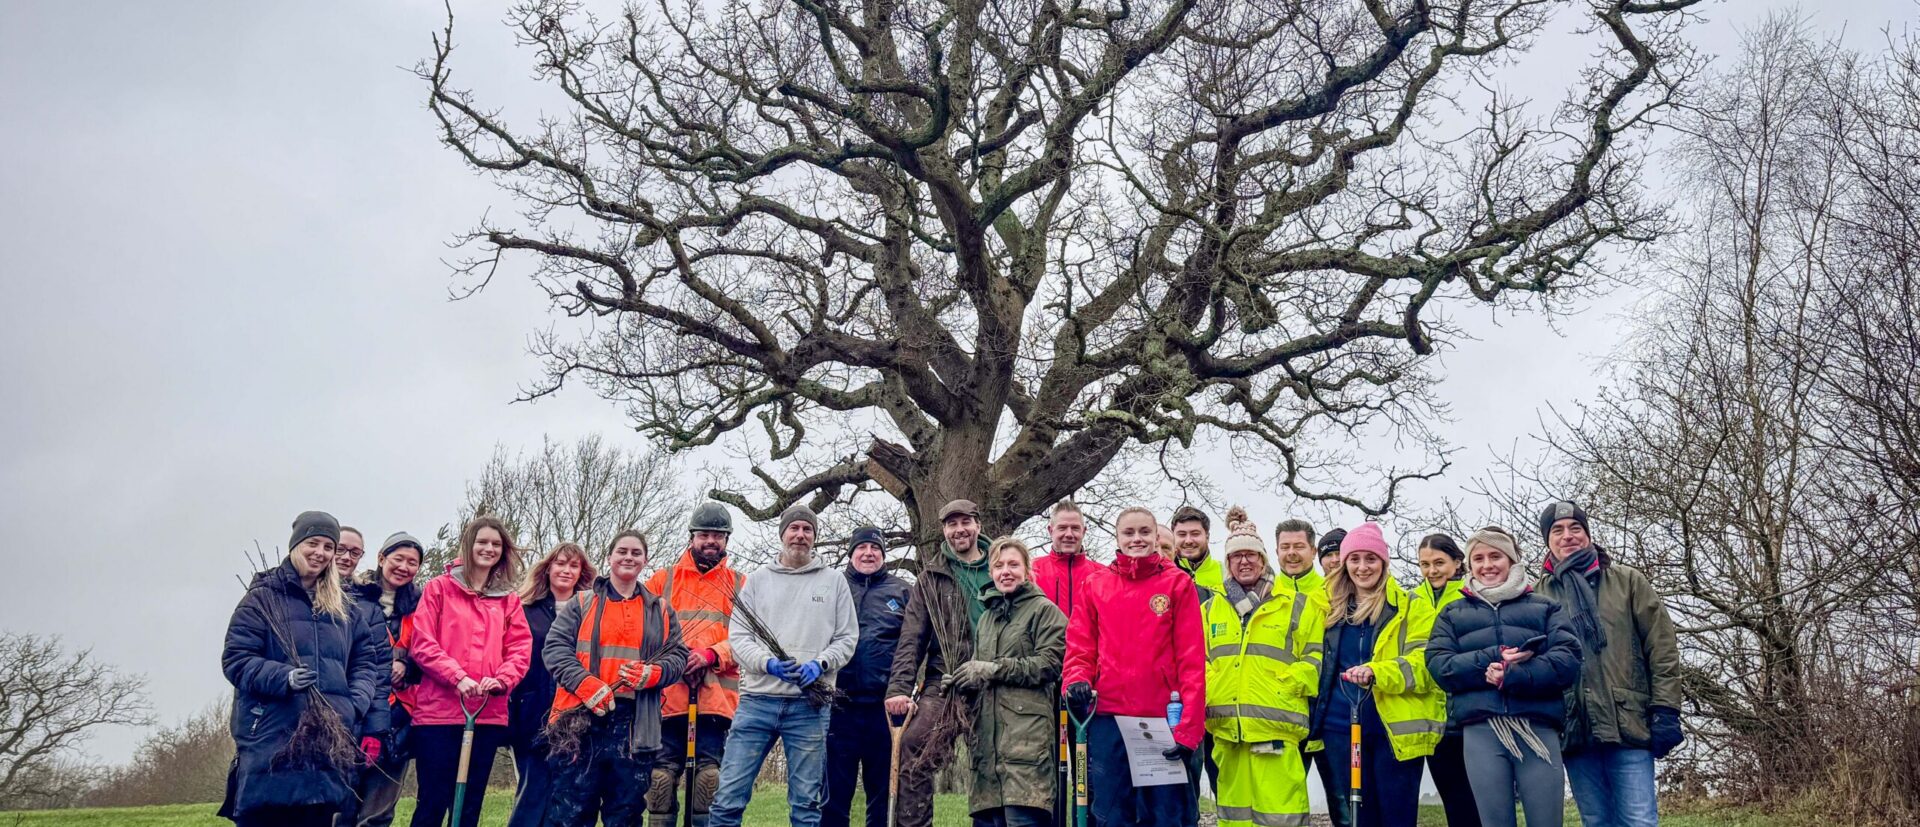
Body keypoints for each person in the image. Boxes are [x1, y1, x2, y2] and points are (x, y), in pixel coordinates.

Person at [220, 511, 383, 827]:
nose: (320, 553)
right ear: (295, 544)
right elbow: (236, 659)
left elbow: (366, 661)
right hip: (272, 738)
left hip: (325, 744)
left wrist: (354, 704)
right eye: (313, 543)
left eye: (327, 546)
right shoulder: (262, 599)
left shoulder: (345, 607)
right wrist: (283, 677)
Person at [1532, 502, 1683, 827]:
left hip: (1628, 722)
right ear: (1547, 540)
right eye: (1557, 530)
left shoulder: (1628, 582)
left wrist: (1666, 710)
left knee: (1639, 820)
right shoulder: (1537, 596)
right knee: (1597, 821)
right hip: (1575, 729)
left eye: (1576, 528)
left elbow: (1662, 648)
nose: (1567, 536)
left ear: (1587, 534)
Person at [709, 504, 860, 827]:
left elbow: (847, 638)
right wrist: (767, 664)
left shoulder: (833, 582)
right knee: (727, 800)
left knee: (806, 806)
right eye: (794, 528)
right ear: (783, 534)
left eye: (808, 530)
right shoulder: (758, 581)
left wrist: (821, 664)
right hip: (757, 702)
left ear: (815, 538)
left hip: (809, 705)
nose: (800, 535)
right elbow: (738, 637)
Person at [1427, 527, 1583, 827]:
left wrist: (1514, 675)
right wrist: (1491, 659)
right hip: (1481, 732)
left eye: (1496, 556)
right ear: (1469, 565)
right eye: (1479, 558)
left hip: (1537, 727)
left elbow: (1568, 659)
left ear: (1512, 560)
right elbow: (1439, 665)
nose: (1487, 565)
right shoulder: (1451, 613)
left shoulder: (1545, 607)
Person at [1062, 507, 1206, 827]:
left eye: (1144, 532)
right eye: (1129, 533)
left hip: (1161, 719)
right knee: (1111, 813)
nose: (1137, 539)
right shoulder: (1095, 584)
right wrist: (1076, 679)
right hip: (1108, 717)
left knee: (1166, 815)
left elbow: (1192, 661)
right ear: (1118, 537)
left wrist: (1189, 729)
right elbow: (1080, 646)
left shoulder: (1177, 584)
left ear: (1156, 537)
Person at [542, 530, 690, 826]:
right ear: (609, 557)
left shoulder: (660, 609)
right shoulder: (582, 603)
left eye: (636, 553)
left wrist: (652, 673)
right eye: (622, 551)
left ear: (645, 561)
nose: (628, 557)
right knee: (570, 813)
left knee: (625, 812)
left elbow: (678, 657)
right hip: (581, 720)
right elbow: (555, 650)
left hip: (636, 725)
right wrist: (587, 685)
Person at [1309, 523, 1446, 827]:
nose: (1362, 567)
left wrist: (1377, 671)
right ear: (1344, 563)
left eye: (1370, 559)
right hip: (1339, 727)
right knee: (1359, 817)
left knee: (1396, 816)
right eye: (1354, 559)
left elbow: (1427, 664)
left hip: (1393, 729)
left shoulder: (1411, 607)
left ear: (1384, 563)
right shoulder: (1325, 608)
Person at [407, 516, 533, 827]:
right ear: (468, 545)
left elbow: (519, 649)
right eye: (482, 542)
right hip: (439, 714)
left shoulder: (508, 599)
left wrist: (501, 679)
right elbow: (422, 643)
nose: (488, 549)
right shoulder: (439, 589)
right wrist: (457, 677)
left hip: (486, 713)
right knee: (433, 801)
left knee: (469, 805)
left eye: (495, 544)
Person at [1203, 508, 1324, 827]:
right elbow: (1199, 662)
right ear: (1227, 562)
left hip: (1273, 733)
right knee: (1233, 816)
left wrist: (1283, 686)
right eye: (1237, 555)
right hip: (1228, 734)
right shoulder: (1210, 609)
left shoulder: (1295, 605)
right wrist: (1212, 690)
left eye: (1252, 555)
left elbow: (1314, 660)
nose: (1244, 561)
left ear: (1264, 559)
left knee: (1279, 816)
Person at [885, 499, 993, 827]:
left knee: (993, 763)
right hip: (943, 683)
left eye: (966, 522)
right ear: (944, 530)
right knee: (914, 750)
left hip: (994, 682)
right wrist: (900, 688)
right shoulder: (931, 578)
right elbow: (911, 638)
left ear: (978, 525)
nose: (959, 530)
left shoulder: (1002, 567)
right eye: (951, 524)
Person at [953, 538, 1067, 827]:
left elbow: (1050, 664)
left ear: (1028, 570)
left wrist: (993, 668)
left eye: (1013, 564)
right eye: (998, 565)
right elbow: (982, 676)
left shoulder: (1045, 611)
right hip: (988, 754)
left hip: (1026, 746)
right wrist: (961, 680)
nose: (1006, 571)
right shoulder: (987, 619)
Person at [645, 502, 747, 827]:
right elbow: (641, 631)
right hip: (666, 699)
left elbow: (749, 640)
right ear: (692, 537)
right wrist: (677, 657)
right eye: (704, 534)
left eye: (718, 536)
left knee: (707, 783)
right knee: (660, 782)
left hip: (716, 702)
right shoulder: (663, 580)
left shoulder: (741, 585)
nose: (710, 541)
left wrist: (712, 654)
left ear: (727, 541)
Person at [825, 526, 910, 827]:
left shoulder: (901, 591)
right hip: (838, 706)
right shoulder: (832, 586)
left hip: (885, 710)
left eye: (875, 549)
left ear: (883, 555)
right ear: (851, 553)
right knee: (834, 793)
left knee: (882, 793)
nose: (869, 553)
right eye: (861, 548)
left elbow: (914, 644)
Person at [508, 543, 597, 827]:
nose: (566, 570)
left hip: (577, 714)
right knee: (533, 791)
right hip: (533, 712)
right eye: (560, 564)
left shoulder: (591, 611)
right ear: (548, 568)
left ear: (582, 573)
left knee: (571, 794)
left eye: (574, 566)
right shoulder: (524, 609)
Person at [346, 532, 426, 827]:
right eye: (398, 559)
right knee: (341, 803)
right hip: (356, 707)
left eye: (413, 562)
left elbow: (431, 653)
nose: (404, 567)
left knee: (379, 809)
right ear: (381, 558)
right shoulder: (353, 595)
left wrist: (407, 666)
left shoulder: (422, 605)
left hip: (399, 715)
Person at [1273, 521, 1344, 827]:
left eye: (1298, 546)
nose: (1292, 554)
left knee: (1343, 800)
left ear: (1312, 551)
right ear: (1276, 551)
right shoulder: (1265, 594)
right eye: (1285, 547)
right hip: (1283, 712)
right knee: (1282, 803)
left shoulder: (1334, 593)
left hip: (1329, 712)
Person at [1412, 533, 1478, 827]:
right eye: (1425, 564)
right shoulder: (1412, 599)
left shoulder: (1471, 595)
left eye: (1439, 562)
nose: (1432, 571)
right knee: (1452, 800)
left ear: (1457, 562)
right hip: (1431, 717)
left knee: (1476, 799)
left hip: (1467, 713)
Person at [331, 527, 393, 827]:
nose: (346, 557)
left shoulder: (368, 605)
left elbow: (379, 670)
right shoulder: (299, 596)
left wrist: (376, 729)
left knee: (358, 811)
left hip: (356, 715)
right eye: (340, 548)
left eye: (355, 553)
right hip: (309, 720)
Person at [1030, 500, 1106, 618]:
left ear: (1084, 531)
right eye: (1062, 528)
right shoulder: (1031, 571)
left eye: (1075, 528)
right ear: (1051, 531)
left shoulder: (1103, 575)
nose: (1069, 534)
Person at [1170, 506, 1225, 595]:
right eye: (1182, 534)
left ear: (1207, 537)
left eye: (1195, 534)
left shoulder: (1226, 572)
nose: (1188, 541)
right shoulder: (1162, 574)